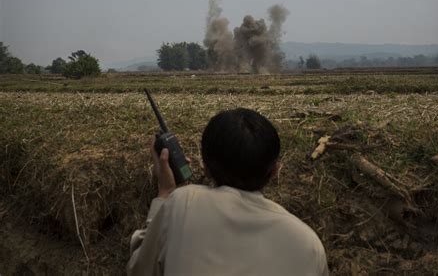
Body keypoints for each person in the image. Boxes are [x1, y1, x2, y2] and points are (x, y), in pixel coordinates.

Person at [127, 108, 329, 276]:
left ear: (205, 167)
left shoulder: (180, 203)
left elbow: (138, 269)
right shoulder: (309, 245)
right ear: (274, 171)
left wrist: (165, 193)